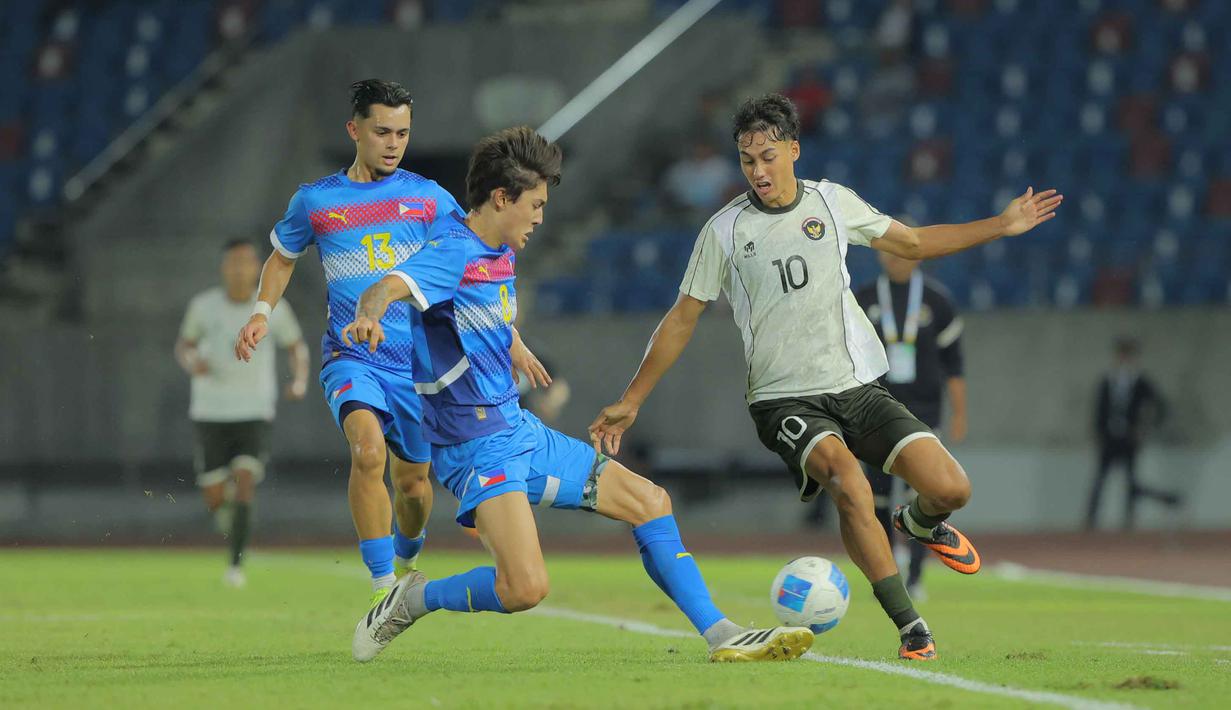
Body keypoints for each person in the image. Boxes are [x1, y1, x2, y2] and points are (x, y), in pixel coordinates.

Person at [590, 93, 1062, 660]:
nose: (758, 171)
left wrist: (1003, 225)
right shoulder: (724, 231)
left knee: (951, 489)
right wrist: (632, 399)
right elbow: (681, 319)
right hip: (783, 400)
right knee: (848, 480)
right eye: (747, 161)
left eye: (767, 157)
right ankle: (911, 625)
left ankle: (917, 522)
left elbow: (912, 242)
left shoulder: (833, 203)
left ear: (793, 150)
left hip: (857, 387)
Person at [341, 126, 813, 664]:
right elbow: (385, 287)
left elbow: (472, 305)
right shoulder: (450, 251)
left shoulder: (497, 250)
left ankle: (721, 633)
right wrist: (369, 315)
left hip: (517, 430)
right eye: (536, 205)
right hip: (475, 448)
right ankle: (412, 599)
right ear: (502, 198)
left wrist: (513, 343)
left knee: (650, 502)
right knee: (524, 588)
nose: (541, 218)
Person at [233, 79, 550, 610]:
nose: (393, 143)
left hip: (417, 371)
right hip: (352, 356)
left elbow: (471, 268)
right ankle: (383, 587)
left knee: (414, 487)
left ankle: (406, 557)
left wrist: (511, 339)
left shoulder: (428, 199)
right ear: (354, 130)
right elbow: (283, 258)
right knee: (367, 451)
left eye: (402, 133)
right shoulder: (315, 201)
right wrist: (261, 312)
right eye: (382, 131)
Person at [176, 238, 308, 587]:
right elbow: (185, 345)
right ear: (224, 268)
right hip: (210, 410)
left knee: (246, 480)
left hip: (253, 409)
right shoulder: (204, 306)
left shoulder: (273, 308)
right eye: (233, 263)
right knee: (214, 496)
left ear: (257, 268)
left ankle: (235, 565)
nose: (239, 270)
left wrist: (299, 381)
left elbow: (296, 346)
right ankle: (228, 514)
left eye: (246, 262)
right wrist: (192, 362)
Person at [853, 248, 968, 602]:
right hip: (874, 411)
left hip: (924, 414)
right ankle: (888, 575)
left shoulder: (936, 300)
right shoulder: (864, 298)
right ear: (880, 256)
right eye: (889, 251)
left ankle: (916, 576)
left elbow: (954, 363)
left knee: (926, 496)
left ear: (918, 255)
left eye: (903, 251)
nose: (896, 258)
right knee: (877, 498)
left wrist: (959, 413)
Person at [1086, 336, 1176, 530]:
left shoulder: (1141, 382)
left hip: (1129, 438)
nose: (1124, 359)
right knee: (1100, 479)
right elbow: (1099, 410)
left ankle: (1129, 520)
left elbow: (1160, 405)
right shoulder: (1107, 380)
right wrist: (1099, 432)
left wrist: (1144, 429)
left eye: (1128, 355)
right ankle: (1090, 521)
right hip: (1110, 437)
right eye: (1121, 355)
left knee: (1131, 481)